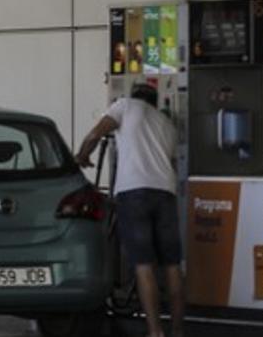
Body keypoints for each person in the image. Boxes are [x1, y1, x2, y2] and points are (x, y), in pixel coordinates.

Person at [75, 82, 183, 337]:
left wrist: (81, 156)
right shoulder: (167, 124)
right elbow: (170, 162)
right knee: (172, 265)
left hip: (135, 192)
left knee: (143, 265)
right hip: (166, 193)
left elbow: (95, 135)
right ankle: (178, 332)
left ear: (133, 97)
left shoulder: (124, 106)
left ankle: (155, 332)